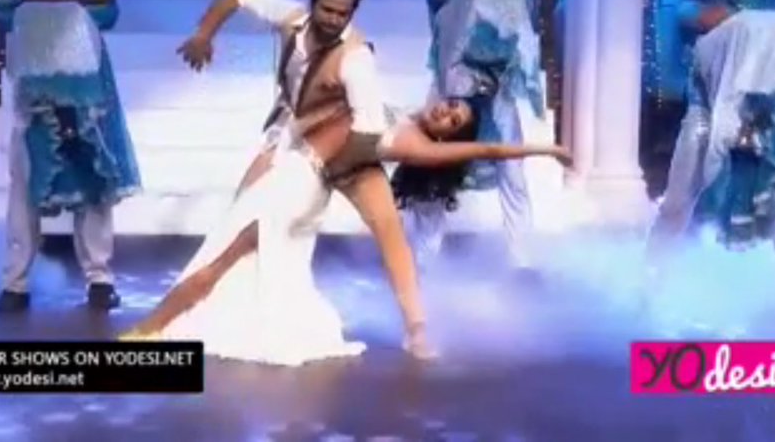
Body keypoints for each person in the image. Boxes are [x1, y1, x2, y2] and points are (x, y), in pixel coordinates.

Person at [118, 96, 570, 365]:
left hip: (299, 188)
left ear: (445, 138)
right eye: (451, 106)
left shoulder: (416, 144)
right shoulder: (401, 113)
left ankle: (148, 331)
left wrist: (546, 149)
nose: (445, 113)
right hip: (292, 172)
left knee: (226, 257)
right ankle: (158, 328)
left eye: (453, 122)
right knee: (236, 258)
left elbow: (489, 150)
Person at [161, 0, 434, 358]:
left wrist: (326, 168)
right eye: (327, 9)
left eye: (343, 13)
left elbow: (368, 129)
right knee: (243, 214)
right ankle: (232, 309)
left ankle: (416, 327)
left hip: (349, 146)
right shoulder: (292, 20)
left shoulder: (356, 58)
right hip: (292, 137)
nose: (333, 19)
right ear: (312, 1)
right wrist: (204, 35)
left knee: (387, 225)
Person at [0, 0, 142, 314]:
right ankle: (15, 282)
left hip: (84, 78)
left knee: (92, 173)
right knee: (26, 176)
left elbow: (109, 7)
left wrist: (63, 2)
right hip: (35, 77)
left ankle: (100, 278)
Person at [645, 0, 775, 278]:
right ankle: (650, 277)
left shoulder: (764, 16)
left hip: (760, 110)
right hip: (706, 112)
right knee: (678, 199)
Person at [407, 0, 549, 272]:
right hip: (454, 79)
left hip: (495, 80)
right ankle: (424, 261)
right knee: (435, 167)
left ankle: (524, 261)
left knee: (512, 168)